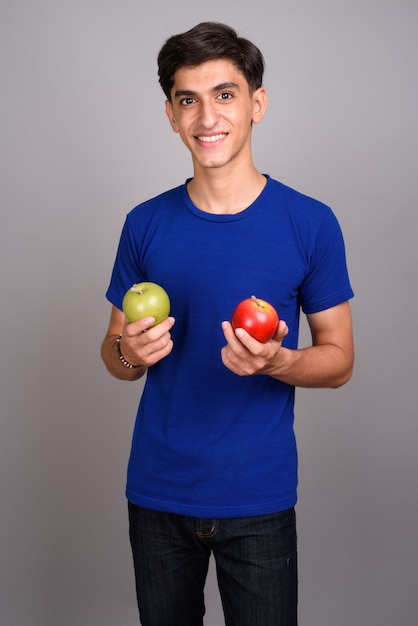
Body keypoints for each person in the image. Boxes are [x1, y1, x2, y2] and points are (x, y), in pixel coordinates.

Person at [101, 21, 354, 626]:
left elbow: (340, 360)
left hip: (257, 498)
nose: (206, 116)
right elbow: (114, 358)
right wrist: (132, 351)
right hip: (158, 494)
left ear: (256, 104)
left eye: (224, 94)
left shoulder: (310, 224)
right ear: (170, 114)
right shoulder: (145, 224)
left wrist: (281, 361)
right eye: (188, 99)